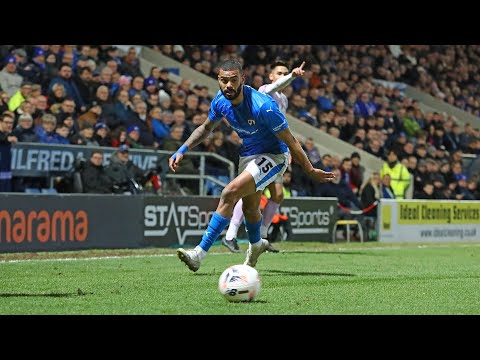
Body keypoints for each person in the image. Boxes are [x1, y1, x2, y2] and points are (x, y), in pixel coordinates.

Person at [169, 59, 335, 272]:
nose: (228, 85)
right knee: (249, 207)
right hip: (248, 155)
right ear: (218, 80)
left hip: (274, 156)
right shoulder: (220, 101)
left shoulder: (263, 106)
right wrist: (182, 149)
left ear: (242, 79)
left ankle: (199, 253)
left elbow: (291, 141)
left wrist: (309, 169)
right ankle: (256, 245)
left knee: (229, 193)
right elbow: (206, 128)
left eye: (233, 80)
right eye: (223, 80)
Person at [222, 60, 306, 253]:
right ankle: (231, 234)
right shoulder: (264, 90)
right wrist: (292, 75)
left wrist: (287, 149)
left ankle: (263, 236)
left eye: (285, 72)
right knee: (250, 191)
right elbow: (278, 85)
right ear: (271, 76)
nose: (282, 75)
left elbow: (282, 126)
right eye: (279, 72)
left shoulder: (283, 100)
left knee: (277, 195)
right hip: (259, 149)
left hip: (276, 150)